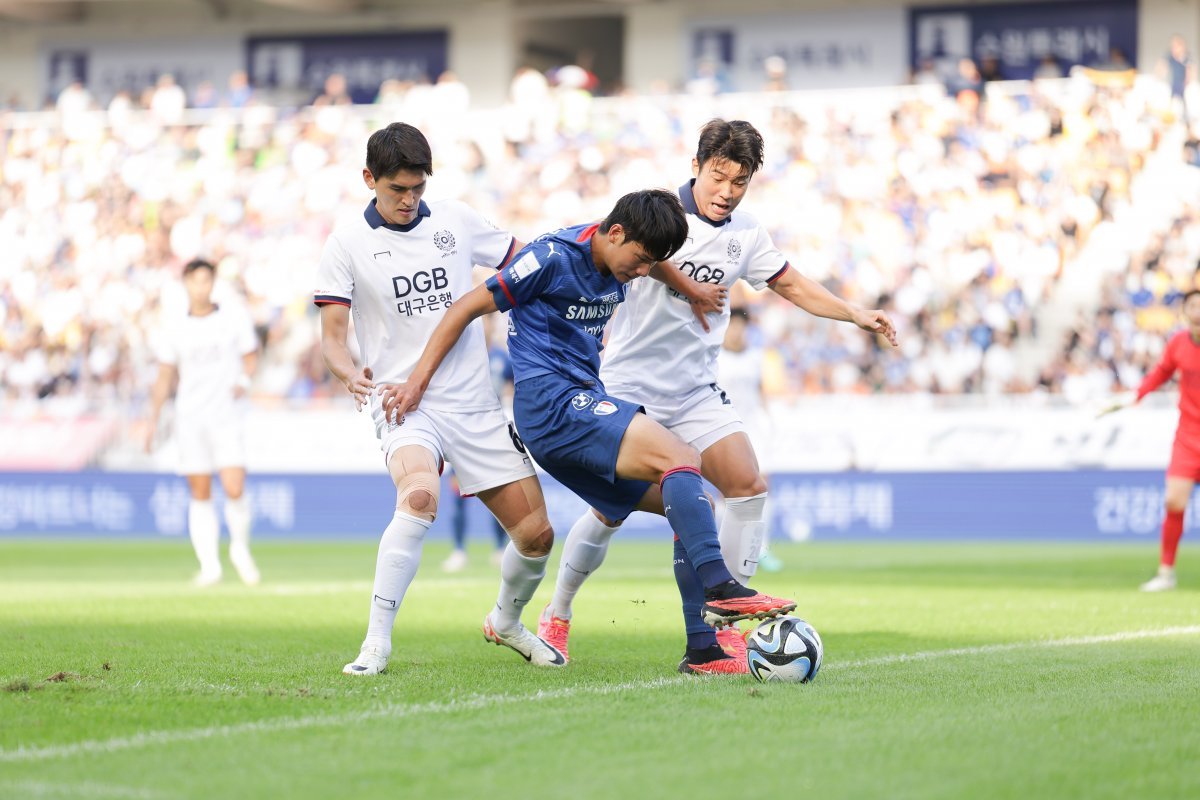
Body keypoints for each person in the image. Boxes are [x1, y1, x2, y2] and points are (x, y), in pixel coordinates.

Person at [382, 188, 797, 673]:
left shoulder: (624, 254)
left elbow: (655, 261)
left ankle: (702, 649)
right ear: (615, 232)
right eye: (639, 261)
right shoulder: (551, 258)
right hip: (550, 404)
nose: (641, 273)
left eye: (649, 264)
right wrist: (417, 383)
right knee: (681, 457)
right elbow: (465, 307)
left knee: (691, 503)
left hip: (580, 402)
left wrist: (691, 287)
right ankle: (719, 587)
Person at [537, 120, 897, 675]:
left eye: (740, 181)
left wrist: (853, 314)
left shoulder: (747, 234)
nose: (726, 190)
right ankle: (557, 612)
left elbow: (792, 284)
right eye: (718, 175)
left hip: (695, 391)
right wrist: (692, 287)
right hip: (629, 387)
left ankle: (721, 629)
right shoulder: (656, 215)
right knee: (609, 512)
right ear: (697, 166)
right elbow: (630, 253)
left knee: (747, 487)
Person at [315, 122, 564, 675]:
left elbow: (527, 263)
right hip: (404, 403)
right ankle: (376, 642)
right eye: (396, 190)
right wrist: (349, 372)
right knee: (420, 496)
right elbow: (332, 337)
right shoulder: (346, 245)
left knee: (537, 535)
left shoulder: (455, 219)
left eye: (417, 189)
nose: (408, 201)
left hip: (474, 403)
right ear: (369, 179)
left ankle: (505, 621)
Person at [145, 258, 261, 587]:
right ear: (186, 284)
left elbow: (251, 357)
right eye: (196, 281)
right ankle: (210, 565)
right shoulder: (174, 326)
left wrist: (243, 381)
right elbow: (165, 374)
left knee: (234, 486)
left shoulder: (232, 317)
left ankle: (240, 548)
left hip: (227, 414)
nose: (202, 287)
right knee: (200, 491)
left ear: (213, 283)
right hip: (190, 417)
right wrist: (152, 420)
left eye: (207, 280)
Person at [1102, 289, 1200, 591]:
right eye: (1193, 305)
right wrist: (1134, 396)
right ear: (1185, 312)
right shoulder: (1178, 342)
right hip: (1188, 436)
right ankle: (1166, 573)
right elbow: (1159, 373)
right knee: (1173, 500)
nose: (1198, 309)